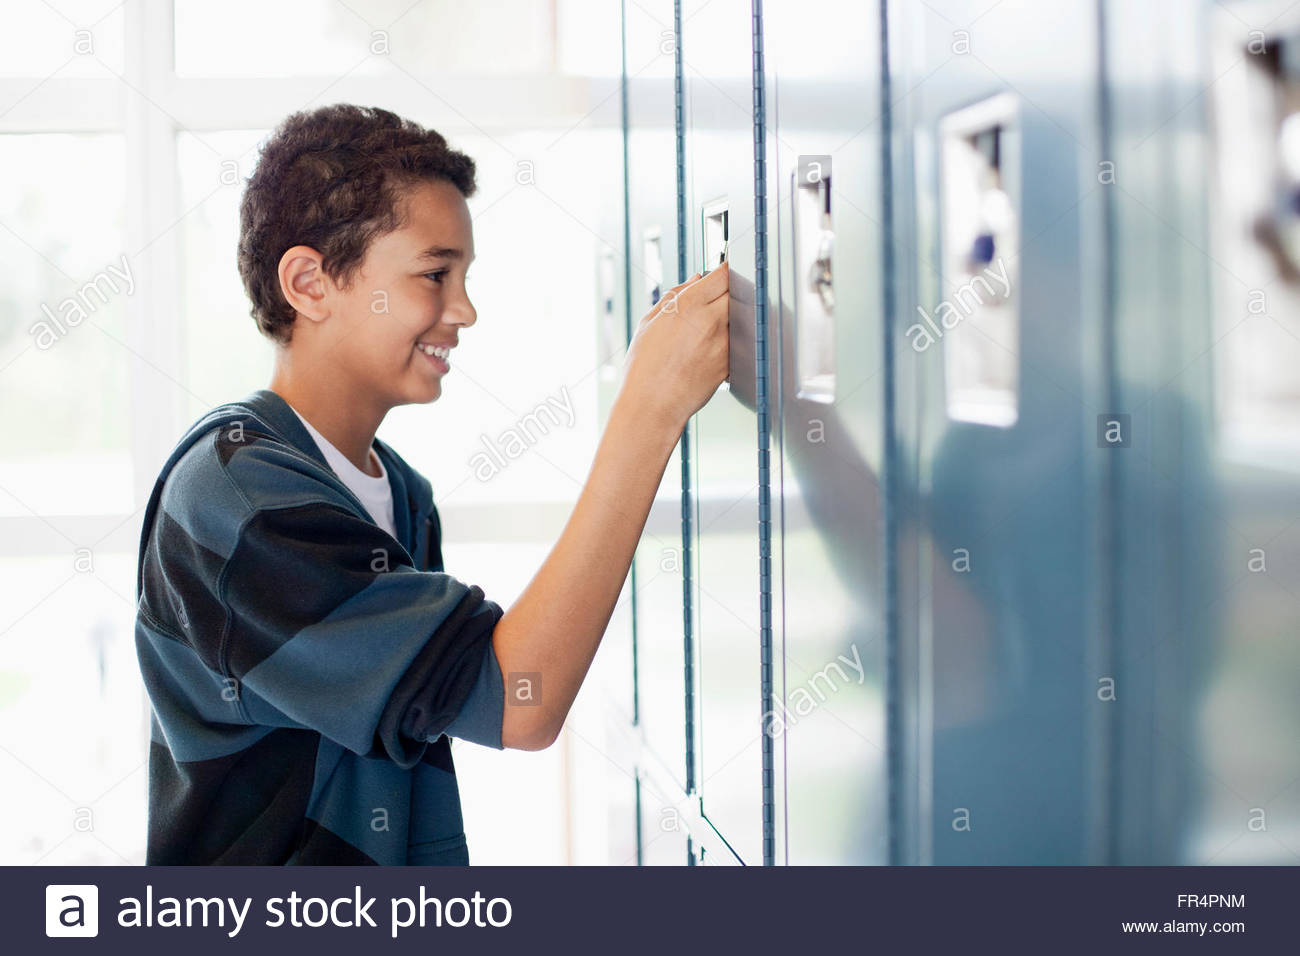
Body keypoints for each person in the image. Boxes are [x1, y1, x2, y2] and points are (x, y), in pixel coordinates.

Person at [133, 103, 729, 864]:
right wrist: (651, 408)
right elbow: (522, 699)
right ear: (310, 283)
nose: (465, 310)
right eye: (433, 274)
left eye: (464, 278)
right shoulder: (237, 499)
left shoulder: (398, 494)